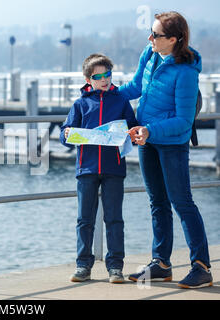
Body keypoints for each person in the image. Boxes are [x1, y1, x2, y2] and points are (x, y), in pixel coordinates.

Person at [120, 11, 213, 289]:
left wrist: (150, 130)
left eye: (156, 35)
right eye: (150, 32)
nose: (150, 38)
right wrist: (103, 92)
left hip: (171, 143)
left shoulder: (185, 72)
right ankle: (161, 264)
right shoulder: (149, 56)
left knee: (182, 203)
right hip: (146, 141)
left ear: (173, 39)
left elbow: (184, 120)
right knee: (157, 203)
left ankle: (202, 267)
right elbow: (136, 86)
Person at [60, 54, 138, 283]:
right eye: (99, 76)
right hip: (87, 169)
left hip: (114, 169)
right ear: (88, 79)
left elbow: (133, 130)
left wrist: (131, 133)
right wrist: (65, 134)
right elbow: (65, 135)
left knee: (114, 219)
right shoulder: (80, 104)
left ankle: (115, 267)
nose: (104, 79)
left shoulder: (121, 102)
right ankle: (83, 265)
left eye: (108, 75)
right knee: (85, 219)